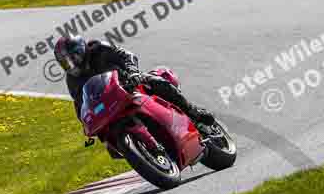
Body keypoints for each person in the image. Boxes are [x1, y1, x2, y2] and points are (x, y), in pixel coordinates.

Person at [54, 35, 216, 126]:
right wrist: (85, 122)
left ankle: (193, 111)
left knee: (155, 82)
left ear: (81, 48)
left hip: (130, 83)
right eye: (66, 62)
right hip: (111, 101)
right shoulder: (73, 79)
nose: (71, 63)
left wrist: (132, 72)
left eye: (73, 57)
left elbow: (126, 56)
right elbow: (79, 103)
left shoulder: (99, 48)